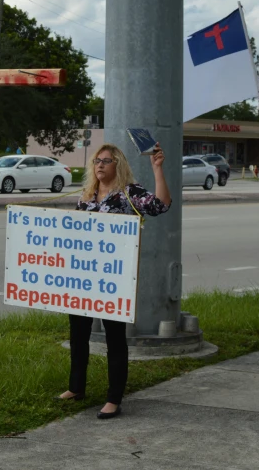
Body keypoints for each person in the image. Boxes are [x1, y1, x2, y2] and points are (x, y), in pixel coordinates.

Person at [56, 142, 172, 419]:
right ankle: (76, 387)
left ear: (117, 165)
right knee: (78, 333)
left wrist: (158, 169)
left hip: (113, 279)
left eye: (106, 161)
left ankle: (114, 398)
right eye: (97, 160)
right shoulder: (87, 196)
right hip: (83, 276)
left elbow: (161, 206)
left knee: (114, 337)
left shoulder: (129, 193)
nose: (99, 165)